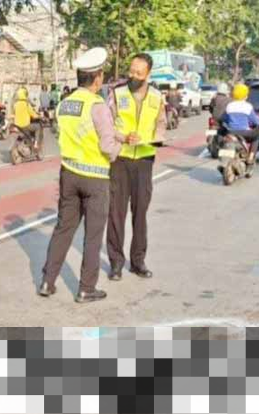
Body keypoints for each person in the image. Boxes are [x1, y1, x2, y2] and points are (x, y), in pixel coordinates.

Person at [39, 47, 123, 303]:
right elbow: (107, 148)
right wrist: (120, 145)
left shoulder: (64, 104)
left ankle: (47, 281)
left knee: (63, 228)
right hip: (95, 178)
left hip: (69, 173)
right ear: (97, 77)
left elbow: (65, 133)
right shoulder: (98, 106)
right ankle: (86, 288)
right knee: (93, 235)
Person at [106, 53, 167, 281]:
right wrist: (122, 137)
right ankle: (116, 263)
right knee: (116, 213)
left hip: (144, 160)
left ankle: (138, 261)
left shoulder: (157, 97)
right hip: (120, 160)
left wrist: (156, 139)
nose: (133, 76)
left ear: (148, 74)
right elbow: (107, 124)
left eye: (139, 73)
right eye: (131, 70)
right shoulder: (117, 93)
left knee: (140, 213)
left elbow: (161, 124)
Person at [221, 83, 259, 168]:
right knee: (256, 138)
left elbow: (224, 118)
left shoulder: (229, 106)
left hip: (231, 132)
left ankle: (224, 162)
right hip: (244, 132)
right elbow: (256, 121)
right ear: (245, 95)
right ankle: (250, 157)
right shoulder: (248, 106)